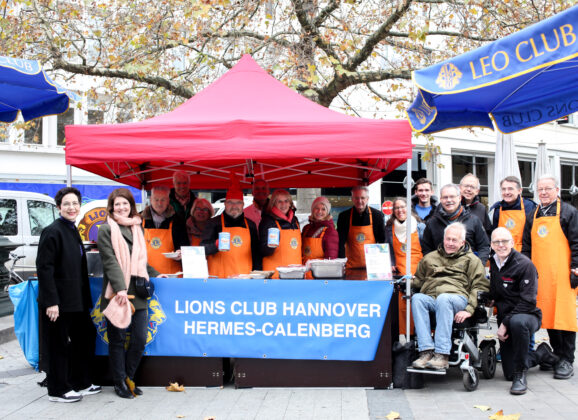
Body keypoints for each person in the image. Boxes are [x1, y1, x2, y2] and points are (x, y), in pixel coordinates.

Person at [98, 188, 167, 399]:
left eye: (125, 204)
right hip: (117, 292)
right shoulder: (105, 229)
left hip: (138, 292)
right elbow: (110, 261)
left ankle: (128, 377)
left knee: (139, 339)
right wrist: (120, 288)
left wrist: (157, 274)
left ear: (131, 206)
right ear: (112, 206)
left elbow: (141, 261)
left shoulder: (138, 228)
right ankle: (119, 382)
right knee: (117, 340)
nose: (121, 207)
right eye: (117, 204)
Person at [36, 187, 101, 403]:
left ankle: (79, 381)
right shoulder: (52, 231)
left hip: (76, 301)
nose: (71, 207)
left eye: (74, 203)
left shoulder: (72, 229)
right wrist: (51, 301)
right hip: (59, 302)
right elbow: (45, 268)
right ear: (58, 207)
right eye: (66, 204)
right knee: (58, 344)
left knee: (85, 337)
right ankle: (57, 389)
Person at [489, 227, 559, 395]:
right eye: (496, 242)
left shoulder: (524, 264)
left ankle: (521, 375)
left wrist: (505, 323)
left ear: (512, 243)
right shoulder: (494, 262)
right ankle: (541, 354)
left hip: (528, 315)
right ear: (491, 245)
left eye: (504, 241)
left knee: (517, 321)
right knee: (508, 374)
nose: (501, 245)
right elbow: (498, 290)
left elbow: (528, 301)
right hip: (506, 317)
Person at [522, 174, 578, 380]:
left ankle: (567, 359)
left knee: (564, 317)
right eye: (540, 189)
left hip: (563, 274)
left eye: (548, 188)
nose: (544, 193)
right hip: (540, 275)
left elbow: (577, 243)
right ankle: (556, 354)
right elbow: (526, 246)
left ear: (557, 190)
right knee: (548, 316)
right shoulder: (533, 215)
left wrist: (576, 269)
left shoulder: (569, 212)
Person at [411, 222, 488, 370]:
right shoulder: (429, 258)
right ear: (443, 238)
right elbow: (418, 282)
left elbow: (479, 286)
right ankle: (426, 351)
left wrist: (469, 309)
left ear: (462, 242)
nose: (450, 243)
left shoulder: (472, 260)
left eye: (454, 240)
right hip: (433, 297)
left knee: (444, 298)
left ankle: (442, 354)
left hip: (458, 298)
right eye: (448, 239)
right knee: (417, 299)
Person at [421, 183, 490, 264]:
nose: (449, 200)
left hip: (468, 272)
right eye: (445, 197)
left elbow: (484, 247)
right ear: (441, 199)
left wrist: (478, 266)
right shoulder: (432, 223)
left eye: (452, 196)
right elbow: (427, 249)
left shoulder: (474, 221)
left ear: (459, 198)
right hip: (441, 272)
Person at [201, 186, 261, 278]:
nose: (234, 206)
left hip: (244, 278)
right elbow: (202, 249)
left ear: (243, 204)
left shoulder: (251, 225)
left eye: (238, 203)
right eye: (230, 202)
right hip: (219, 279)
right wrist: (216, 244)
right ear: (225, 204)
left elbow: (256, 254)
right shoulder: (213, 223)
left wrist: (257, 276)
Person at [385, 197, 423, 338]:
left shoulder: (420, 226)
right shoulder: (389, 228)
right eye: (396, 208)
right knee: (401, 307)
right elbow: (387, 249)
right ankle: (403, 337)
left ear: (409, 209)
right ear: (393, 211)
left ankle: (418, 337)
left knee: (417, 305)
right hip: (399, 274)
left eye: (403, 207)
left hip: (418, 273)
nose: (400, 210)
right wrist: (390, 263)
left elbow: (426, 249)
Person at [141, 186, 189, 275]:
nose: (159, 203)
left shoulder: (177, 220)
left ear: (168, 201)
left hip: (170, 275)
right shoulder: (140, 219)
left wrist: (180, 252)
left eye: (163, 200)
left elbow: (184, 244)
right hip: (145, 273)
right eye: (156, 199)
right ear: (151, 200)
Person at [337, 186, 386, 270]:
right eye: (356, 198)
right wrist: (341, 263)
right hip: (350, 266)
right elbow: (340, 243)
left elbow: (382, 241)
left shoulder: (377, 215)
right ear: (352, 199)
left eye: (362, 198)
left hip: (372, 267)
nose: (359, 201)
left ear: (367, 199)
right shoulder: (344, 216)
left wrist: (382, 265)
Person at [260, 189, 302, 275]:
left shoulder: (295, 221)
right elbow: (262, 250)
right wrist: (270, 247)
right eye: (279, 201)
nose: (283, 204)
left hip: (295, 273)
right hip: (275, 273)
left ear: (290, 203)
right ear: (273, 204)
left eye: (286, 201)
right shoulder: (268, 221)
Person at [490, 176, 537, 251]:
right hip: (502, 253)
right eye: (503, 189)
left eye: (510, 189)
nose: (506, 192)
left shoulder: (529, 206)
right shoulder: (496, 209)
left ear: (519, 191)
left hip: (524, 254)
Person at [301, 196, 339, 264]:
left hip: (318, 273)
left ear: (327, 212)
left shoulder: (330, 232)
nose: (319, 211)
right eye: (317, 208)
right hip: (303, 272)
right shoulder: (306, 228)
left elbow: (330, 261)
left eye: (323, 209)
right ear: (312, 210)